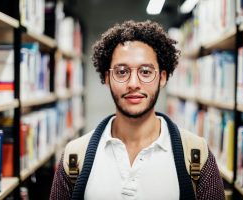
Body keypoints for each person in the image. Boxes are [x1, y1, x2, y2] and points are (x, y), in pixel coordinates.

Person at [50, 20, 224, 200]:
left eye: (146, 72)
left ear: (162, 78)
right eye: (122, 72)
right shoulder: (74, 157)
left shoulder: (197, 155)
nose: (133, 83)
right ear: (107, 77)